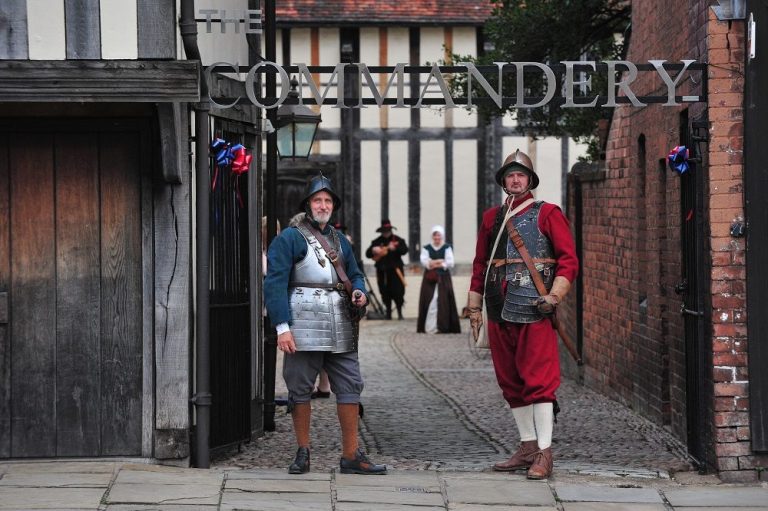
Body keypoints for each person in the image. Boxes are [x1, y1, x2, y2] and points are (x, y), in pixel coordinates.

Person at [264, 174, 387, 475]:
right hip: (303, 323)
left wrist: (359, 291)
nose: (323, 205)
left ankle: (351, 455)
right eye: (317, 200)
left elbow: (355, 274)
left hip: (341, 323)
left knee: (350, 385)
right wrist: (282, 328)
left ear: (333, 205)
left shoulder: (340, 240)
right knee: (299, 388)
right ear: (308, 204)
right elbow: (275, 283)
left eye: (328, 200)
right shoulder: (289, 238)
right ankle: (303, 451)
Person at [467, 149, 578, 480]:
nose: (515, 180)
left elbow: (568, 260)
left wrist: (554, 295)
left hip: (534, 307)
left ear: (529, 180)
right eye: (510, 175)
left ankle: (544, 451)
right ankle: (527, 445)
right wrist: (474, 304)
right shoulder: (491, 218)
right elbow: (480, 263)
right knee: (510, 380)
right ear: (503, 181)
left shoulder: (548, 214)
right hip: (498, 307)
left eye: (521, 175)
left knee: (539, 381)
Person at [417, 225, 461, 334]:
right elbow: (425, 262)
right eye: (435, 235)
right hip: (430, 278)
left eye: (439, 235)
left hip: (443, 278)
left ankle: (442, 326)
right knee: (429, 300)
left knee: (443, 301)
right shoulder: (427, 248)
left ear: (442, 236)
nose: (437, 237)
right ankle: (430, 327)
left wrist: (433, 262)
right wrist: (440, 261)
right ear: (432, 236)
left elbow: (450, 263)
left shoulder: (447, 247)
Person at [365, 220, 408, 320]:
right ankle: (388, 313)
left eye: (387, 230)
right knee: (384, 292)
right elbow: (368, 254)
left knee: (398, 291)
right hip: (382, 271)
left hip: (396, 271)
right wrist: (373, 250)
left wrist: (395, 249)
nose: (386, 232)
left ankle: (400, 313)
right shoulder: (376, 242)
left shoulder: (398, 240)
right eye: (384, 230)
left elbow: (405, 250)